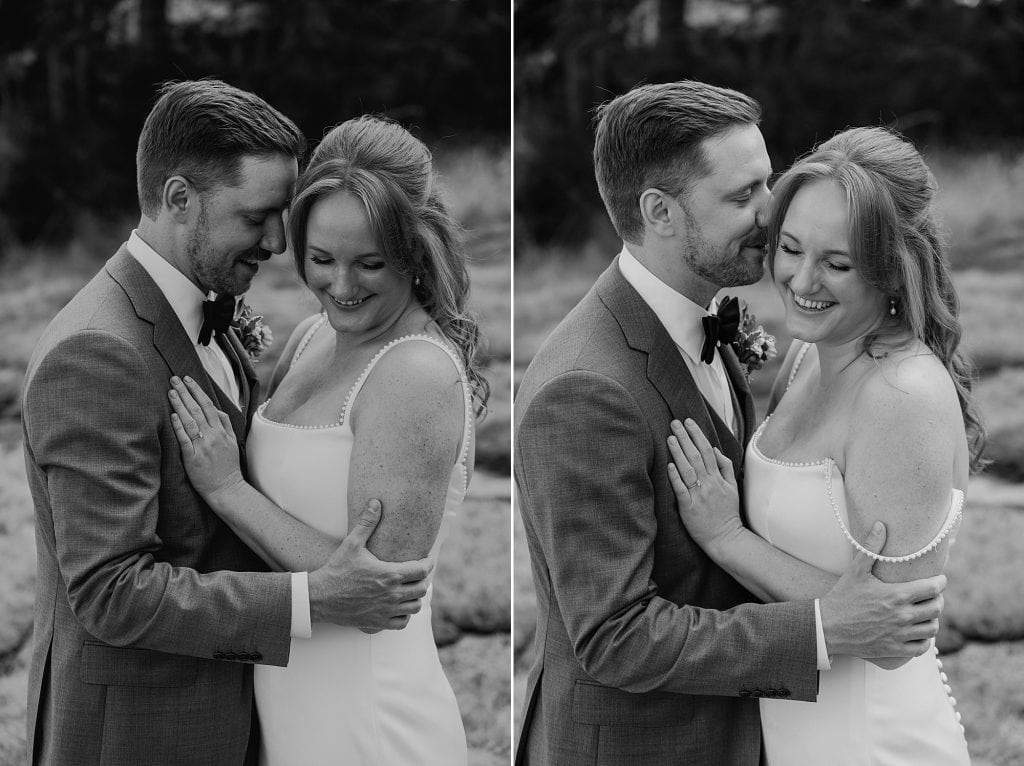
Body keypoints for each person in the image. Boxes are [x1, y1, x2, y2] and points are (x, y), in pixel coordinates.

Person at [514, 81, 949, 765]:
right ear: (660, 212)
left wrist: (732, 540)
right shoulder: (585, 391)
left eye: (767, 181)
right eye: (742, 195)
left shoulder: (712, 324)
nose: (771, 211)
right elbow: (614, 637)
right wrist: (819, 627)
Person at [21, 81, 433, 766]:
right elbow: (110, 591)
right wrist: (311, 599)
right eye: (258, 216)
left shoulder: (204, 306)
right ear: (180, 199)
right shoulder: (97, 354)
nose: (278, 242)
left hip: (242, 722)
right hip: (137, 738)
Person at [166, 114, 486, 765]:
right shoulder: (315, 337)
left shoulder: (413, 372)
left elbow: (374, 592)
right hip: (289, 690)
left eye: (370, 263)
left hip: (366, 715)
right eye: (321, 260)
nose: (340, 288)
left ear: (416, 252)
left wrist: (226, 488)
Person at [667, 126, 980, 764]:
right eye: (789, 247)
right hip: (792, 725)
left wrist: (728, 539)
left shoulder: (899, 397)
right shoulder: (809, 354)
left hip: (867, 740)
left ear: (895, 267)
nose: (800, 280)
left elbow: (892, 632)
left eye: (837, 263)